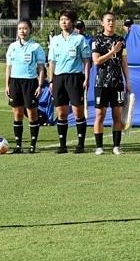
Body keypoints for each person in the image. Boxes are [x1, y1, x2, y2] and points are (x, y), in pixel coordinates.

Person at [48, 10, 91, 154]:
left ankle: (80, 144)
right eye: (61, 20)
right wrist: (51, 81)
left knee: (77, 112)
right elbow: (52, 62)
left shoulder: (79, 39)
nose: (63, 22)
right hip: (59, 78)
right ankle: (62, 145)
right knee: (61, 113)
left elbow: (86, 60)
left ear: (72, 22)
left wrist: (86, 78)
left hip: (75, 78)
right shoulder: (55, 40)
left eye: (66, 20)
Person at [91, 12, 131, 156]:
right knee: (100, 115)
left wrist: (127, 81)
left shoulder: (121, 40)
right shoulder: (97, 40)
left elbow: (124, 63)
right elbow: (96, 61)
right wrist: (112, 52)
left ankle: (116, 146)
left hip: (117, 84)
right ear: (102, 23)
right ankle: (99, 146)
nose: (111, 23)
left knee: (117, 116)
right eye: (108, 20)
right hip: (101, 83)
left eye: (113, 20)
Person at [5, 19, 46, 154]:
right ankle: (18, 146)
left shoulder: (36, 47)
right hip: (15, 82)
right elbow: (8, 67)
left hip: (30, 82)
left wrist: (40, 85)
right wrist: (7, 85)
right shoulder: (12, 47)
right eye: (20, 29)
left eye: (25, 28)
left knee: (32, 114)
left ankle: (33, 145)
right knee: (17, 114)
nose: (22, 31)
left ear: (30, 30)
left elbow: (41, 68)